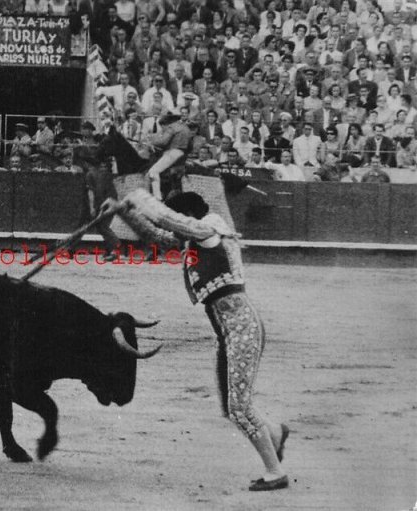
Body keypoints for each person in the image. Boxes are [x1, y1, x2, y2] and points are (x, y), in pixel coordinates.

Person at [100, 190, 289, 492]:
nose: (175, 230)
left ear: (188, 217)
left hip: (241, 329)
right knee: (231, 407)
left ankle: (274, 472)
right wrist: (124, 211)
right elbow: (157, 234)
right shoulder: (199, 237)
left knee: (239, 409)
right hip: (229, 331)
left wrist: (136, 197)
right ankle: (275, 434)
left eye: (179, 221)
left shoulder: (210, 230)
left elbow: (165, 219)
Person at [144, 113, 193, 199]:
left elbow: (163, 142)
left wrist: (151, 141)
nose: (163, 128)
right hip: (182, 155)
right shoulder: (186, 128)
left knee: (153, 172)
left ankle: (157, 197)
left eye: (163, 126)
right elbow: (190, 147)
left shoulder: (172, 127)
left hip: (173, 152)